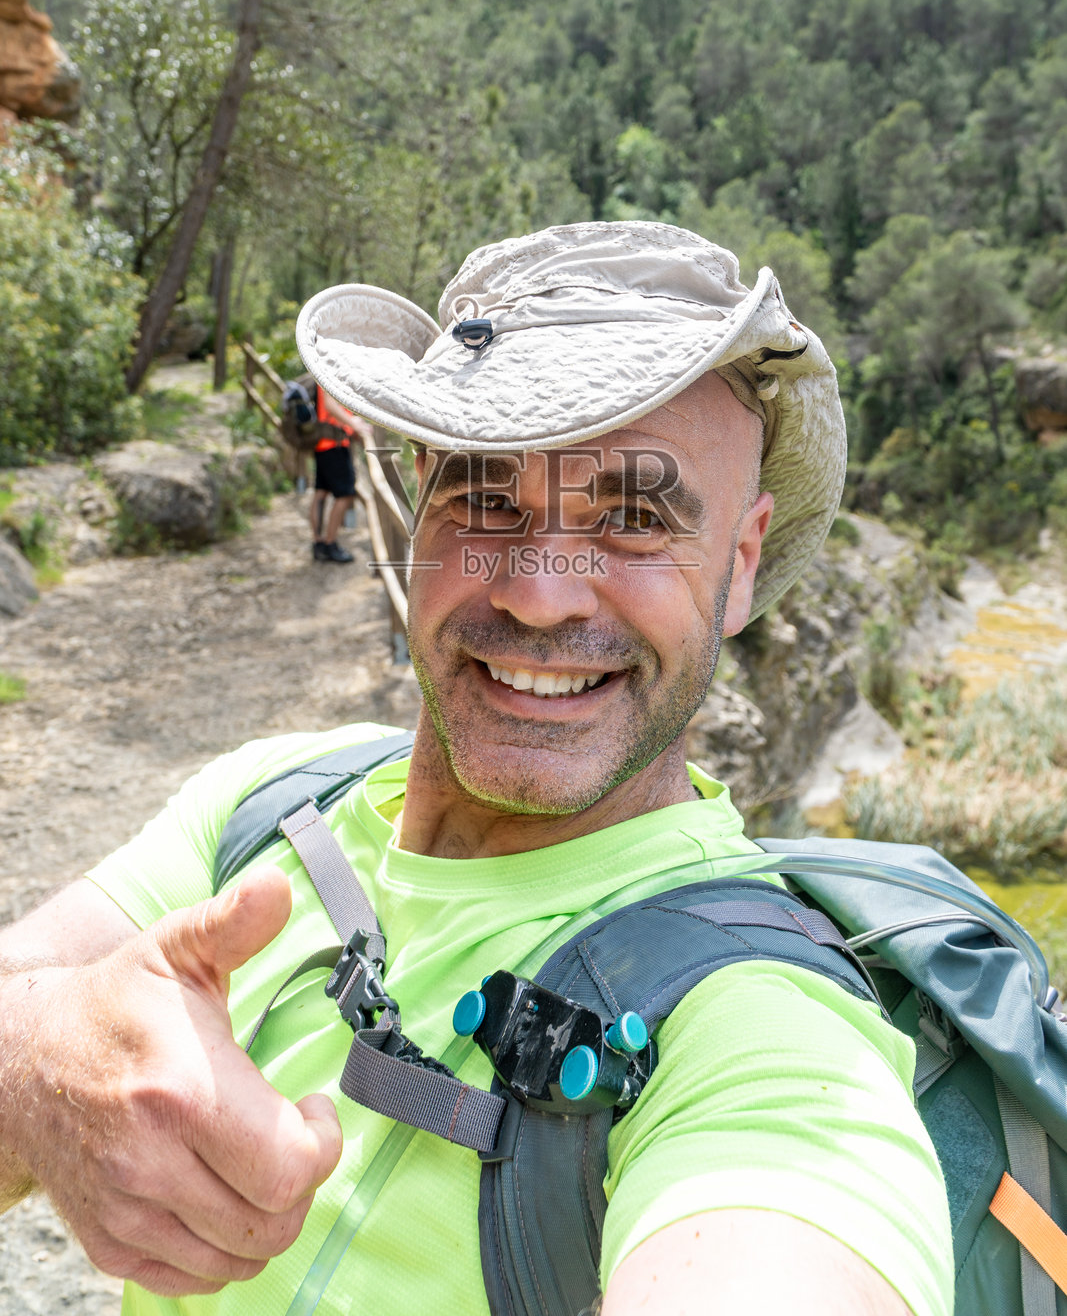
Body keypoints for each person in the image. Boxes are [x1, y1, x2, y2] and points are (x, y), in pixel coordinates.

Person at [0, 222, 952, 1316]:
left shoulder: (765, 1028)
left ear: (739, 562)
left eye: (634, 518)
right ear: (419, 506)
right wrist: (41, 1064)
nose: (538, 596)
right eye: (487, 500)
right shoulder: (276, 801)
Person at [309, 387, 364, 564]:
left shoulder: (320, 374)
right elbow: (330, 405)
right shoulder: (330, 373)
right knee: (345, 495)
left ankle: (318, 544)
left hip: (323, 442)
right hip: (335, 444)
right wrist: (354, 424)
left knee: (321, 492)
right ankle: (330, 544)